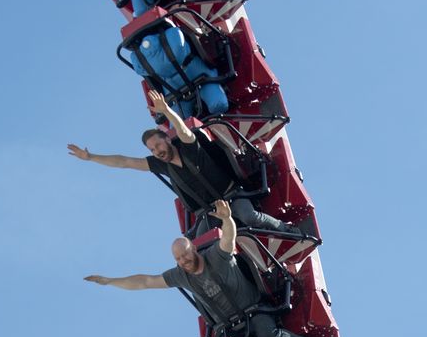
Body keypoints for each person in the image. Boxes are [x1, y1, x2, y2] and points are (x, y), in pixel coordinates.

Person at [84, 199, 325, 337]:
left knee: (269, 335)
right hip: (230, 326)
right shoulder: (181, 275)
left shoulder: (215, 256)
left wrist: (227, 219)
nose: (183, 262)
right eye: (178, 259)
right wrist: (109, 281)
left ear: (194, 249)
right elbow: (146, 281)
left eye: (185, 256)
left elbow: (228, 239)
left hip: (254, 309)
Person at [67, 90, 293, 236]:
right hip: (211, 211)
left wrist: (166, 111)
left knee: (249, 217)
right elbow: (125, 162)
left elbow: (184, 130)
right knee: (193, 242)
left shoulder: (188, 147)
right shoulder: (161, 165)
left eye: (158, 146)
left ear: (167, 139)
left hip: (232, 195)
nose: (157, 152)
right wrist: (91, 157)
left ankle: (287, 230)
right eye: (153, 150)